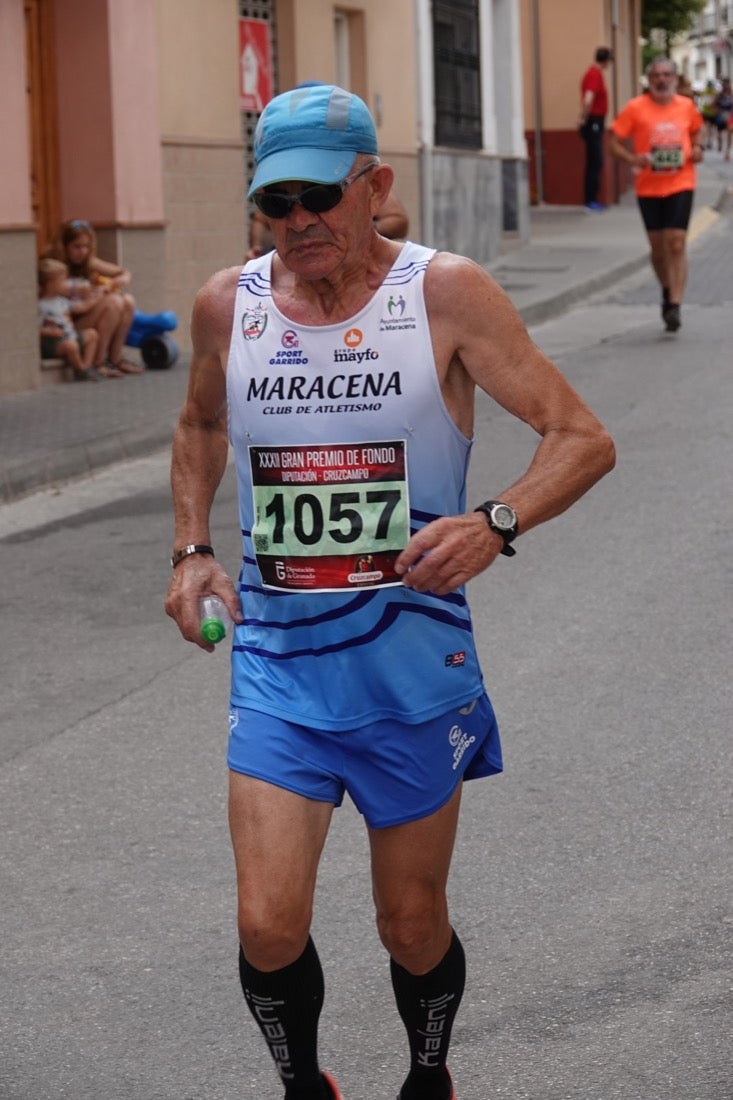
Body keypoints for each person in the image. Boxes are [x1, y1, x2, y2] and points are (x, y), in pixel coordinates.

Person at [165, 83, 615, 1100]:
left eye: (318, 197)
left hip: (415, 672)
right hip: (280, 672)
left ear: (374, 185)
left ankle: (427, 1071)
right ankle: (301, 1087)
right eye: (274, 203)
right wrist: (192, 545)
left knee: (409, 924)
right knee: (266, 923)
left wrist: (496, 521)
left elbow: (582, 437)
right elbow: (198, 427)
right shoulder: (225, 305)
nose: (297, 223)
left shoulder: (442, 294)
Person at [608, 57, 704, 334]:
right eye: (656, 76)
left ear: (674, 78)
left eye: (666, 75)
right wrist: (631, 158)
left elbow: (698, 132)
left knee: (676, 242)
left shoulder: (686, 106)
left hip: (681, 182)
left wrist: (697, 149)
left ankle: (674, 305)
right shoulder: (635, 108)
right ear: (649, 80)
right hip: (648, 187)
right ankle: (666, 287)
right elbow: (614, 142)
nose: (661, 80)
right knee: (658, 248)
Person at [51, 219, 144, 375]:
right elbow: (59, 289)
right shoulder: (55, 265)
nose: (83, 252)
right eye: (77, 247)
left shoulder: (88, 262)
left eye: (86, 246)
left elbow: (123, 272)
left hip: (85, 316)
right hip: (67, 326)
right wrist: (86, 291)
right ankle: (99, 362)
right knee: (113, 302)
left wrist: (113, 283)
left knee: (127, 301)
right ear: (64, 246)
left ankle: (115, 359)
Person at [245, 187, 409, 260]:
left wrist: (361, 229)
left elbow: (399, 221)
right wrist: (256, 249)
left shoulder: (363, 187)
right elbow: (260, 220)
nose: (300, 222)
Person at [37, 258, 103, 380]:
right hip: (53, 343)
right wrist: (49, 332)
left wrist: (95, 298)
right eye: (62, 280)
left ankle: (86, 367)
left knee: (92, 335)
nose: (66, 284)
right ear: (50, 284)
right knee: (71, 346)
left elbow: (81, 308)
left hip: (69, 337)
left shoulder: (61, 300)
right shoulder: (41, 305)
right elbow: (35, 329)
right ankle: (79, 370)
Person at [578, 46, 614, 211]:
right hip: (593, 121)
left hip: (595, 120)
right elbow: (588, 98)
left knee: (595, 160)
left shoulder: (594, 73)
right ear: (606, 60)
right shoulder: (594, 74)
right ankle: (590, 200)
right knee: (595, 160)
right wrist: (584, 118)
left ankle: (591, 199)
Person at [713, 77, 733, 159]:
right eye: (725, 85)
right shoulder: (719, 95)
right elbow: (713, 104)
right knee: (719, 133)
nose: (726, 87)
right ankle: (720, 144)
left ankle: (727, 152)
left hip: (730, 115)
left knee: (729, 133)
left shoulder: (731, 95)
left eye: (727, 85)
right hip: (721, 115)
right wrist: (718, 111)